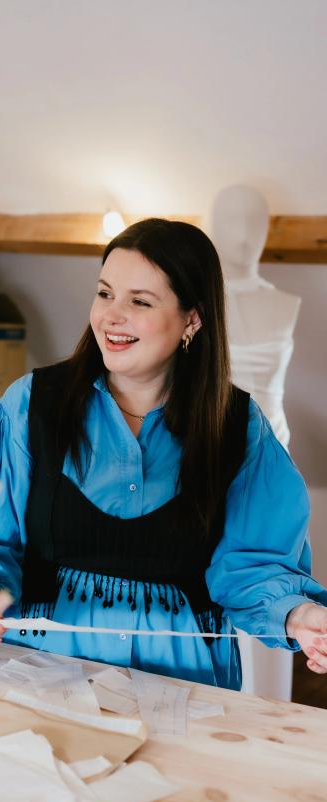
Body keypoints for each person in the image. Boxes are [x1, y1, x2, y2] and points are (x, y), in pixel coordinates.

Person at [0, 218, 327, 690]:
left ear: (192, 319)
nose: (111, 315)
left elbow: (256, 567)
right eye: (105, 293)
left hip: (183, 682)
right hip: (38, 672)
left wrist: (300, 616)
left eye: (140, 301)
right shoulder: (30, 404)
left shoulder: (238, 428)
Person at [209, 185, 303, 699]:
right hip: (212, 448)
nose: (244, 234)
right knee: (216, 574)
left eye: (255, 221)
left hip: (276, 451)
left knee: (271, 571)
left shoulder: (284, 304)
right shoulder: (197, 305)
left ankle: (267, 702)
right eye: (232, 219)